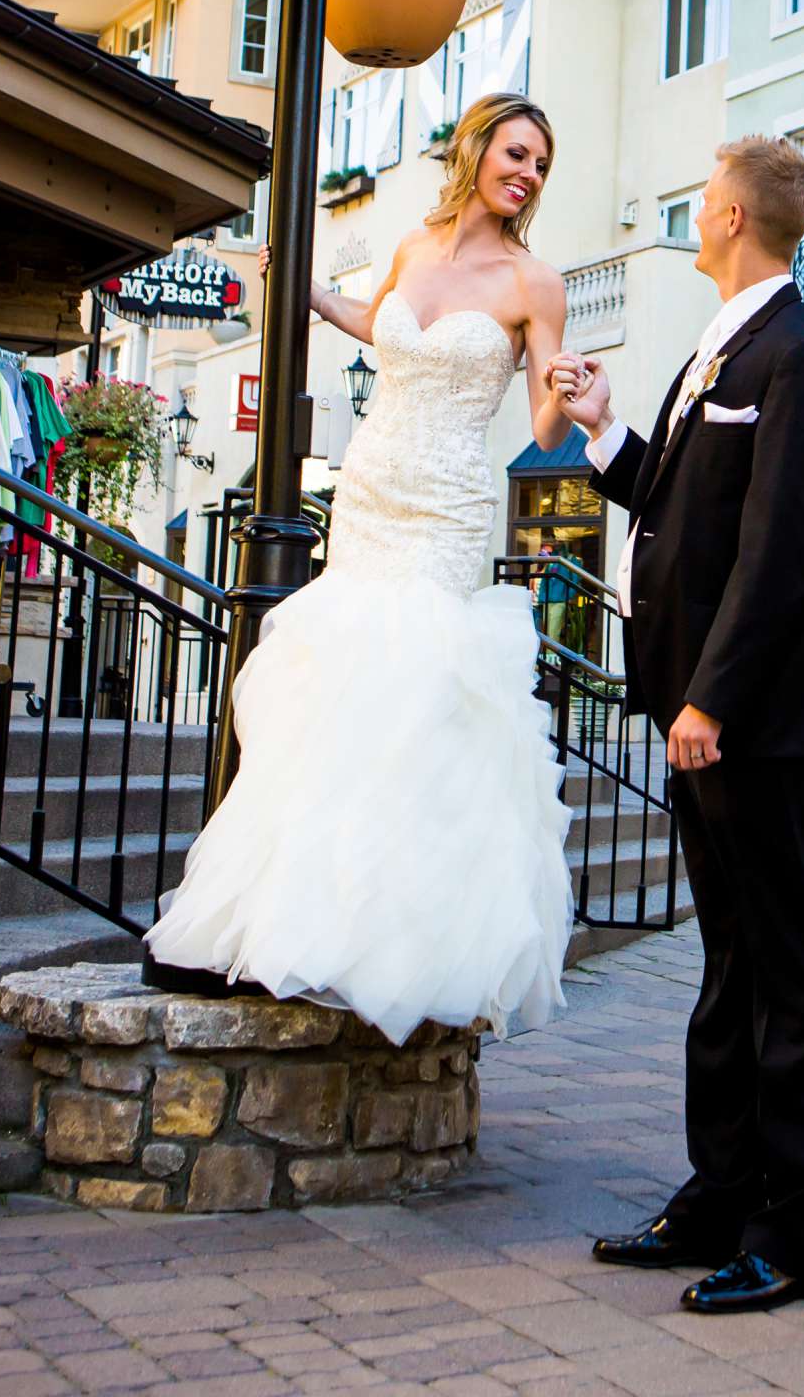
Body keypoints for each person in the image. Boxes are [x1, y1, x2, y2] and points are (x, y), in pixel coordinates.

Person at [146, 95, 578, 1044]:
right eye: (517, 153)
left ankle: (399, 944)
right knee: (340, 692)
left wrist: (568, 394)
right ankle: (291, 922)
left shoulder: (533, 281)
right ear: (475, 152)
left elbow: (545, 418)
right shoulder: (415, 249)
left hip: (449, 509)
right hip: (370, 495)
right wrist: (306, 295)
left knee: (415, 692)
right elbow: (378, 323)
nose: (529, 174)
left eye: (542, 164)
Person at [546, 134, 804, 1317]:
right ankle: (717, 1197)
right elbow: (685, 506)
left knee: (791, 972)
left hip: (749, 722)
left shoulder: (802, 354)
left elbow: (783, 552)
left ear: (728, 215)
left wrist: (712, 698)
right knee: (727, 965)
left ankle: (791, 1238)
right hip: (693, 712)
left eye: (699, 203)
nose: (692, 216)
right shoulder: (713, 350)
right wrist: (605, 431)